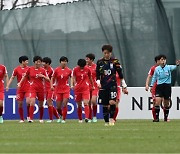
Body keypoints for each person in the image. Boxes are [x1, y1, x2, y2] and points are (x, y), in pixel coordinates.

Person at [96, 44, 128, 126]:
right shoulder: (99, 62)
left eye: (108, 53)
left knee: (112, 102)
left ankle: (111, 119)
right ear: (103, 52)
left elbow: (120, 74)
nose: (107, 54)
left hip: (112, 85)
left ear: (111, 53)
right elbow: (97, 75)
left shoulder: (115, 61)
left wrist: (124, 86)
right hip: (103, 86)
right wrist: (98, 83)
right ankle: (106, 122)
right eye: (105, 53)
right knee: (105, 104)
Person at [18, 56, 50, 123]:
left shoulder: (43, 70)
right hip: (32, 88)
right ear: (34, 62)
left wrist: (43, 76)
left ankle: (41, 118)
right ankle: (30, 118)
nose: (38, 63)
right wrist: (20, 83)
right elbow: (25, 76)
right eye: (37, 62)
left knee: (41, 104)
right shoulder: (30, 69)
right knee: (32, 101)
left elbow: (48, 79)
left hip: (41, 88)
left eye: (39, 62)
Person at [150, 54, 180, 122]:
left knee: (166, 103)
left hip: (167, 86)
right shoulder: (157, 69)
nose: (163, 61)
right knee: (157, 101)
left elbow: (175, 67)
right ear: (159, 61)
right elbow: (154, 77)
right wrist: (151, 86)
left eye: (164, 59)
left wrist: (177, 64)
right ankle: (156, 118)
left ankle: (165, 118)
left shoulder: (169, 67)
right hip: (159, 86)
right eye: (161, 59)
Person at [6, 56, 30, 123]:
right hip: (20, 89)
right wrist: (7, 85)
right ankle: (22, 119)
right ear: (22, 61)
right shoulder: (16, 69)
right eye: (26, 61)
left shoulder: (29, 69)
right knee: (20, 103)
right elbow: (12, 78)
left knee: (28, 102)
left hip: (28, 88)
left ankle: (28, 117)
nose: (27, 62)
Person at [71, 59, 94, 123]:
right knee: (79, 105)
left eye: (83, 66)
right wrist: (72, 85)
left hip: (85, 88)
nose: (82, 68)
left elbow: (90, 77)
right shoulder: (75, 69)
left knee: (86, 103)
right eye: (81, 66)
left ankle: (86, 118)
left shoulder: (87, 69)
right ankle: (80, 119)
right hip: (78, 89)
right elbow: (72, 77)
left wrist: (92, 85)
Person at [51, 56, 72, 123]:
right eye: (63, 61)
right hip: (58, 89)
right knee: (58, 107)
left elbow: (72, 77)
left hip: (66, 89)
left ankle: (63, 119)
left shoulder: (69, 70)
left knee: (65, 104)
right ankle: (61, 115)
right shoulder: (56, 70)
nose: (64, 63)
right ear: (60, 62)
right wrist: (51, 85)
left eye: (65, 61)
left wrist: (71, 84)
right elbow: (52, 78)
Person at [42, 57, 60, 123]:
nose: (42, 64)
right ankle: (58, 117)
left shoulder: (51, 70)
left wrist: (43, 76)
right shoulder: (43, 69)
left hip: (51, 88)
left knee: (49, 101)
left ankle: (51, 119)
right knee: (49, 103)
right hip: (45, 88)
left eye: (44, 62)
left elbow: (51, 79)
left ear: (48, 63)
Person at [145, 55, 160, 121]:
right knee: (155, 101)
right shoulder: (153, 68)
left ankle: (166, 117)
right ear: (157, 61)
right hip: (155, 87)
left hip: (163, 86)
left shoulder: (166, 68)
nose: (162, 61)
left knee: (163, 101)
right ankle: (155, 118)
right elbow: (149, 76)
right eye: (160, 60)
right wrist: (147, 85)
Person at [85, 53, 98, 123]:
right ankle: (89, 117)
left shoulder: (96, 67)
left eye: (87, 59)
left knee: (93, 101)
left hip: (94, 86)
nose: (86, 60)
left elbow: (99, 76)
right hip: (87, 87)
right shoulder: (85, 67)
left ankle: (95, 116)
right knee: (88, 103)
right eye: (86, 59)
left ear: (92, 60)